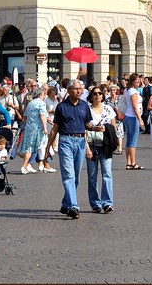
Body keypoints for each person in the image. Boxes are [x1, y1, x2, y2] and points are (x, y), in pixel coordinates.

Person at [45, 80, 96, 219]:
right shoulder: (62, 107)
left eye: (80, 89)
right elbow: (55, 128)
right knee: (68, 175)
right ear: (68, 90)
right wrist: (48, 148)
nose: (79, 91)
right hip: (65, 141)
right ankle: (74, 206)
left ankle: (66, 203)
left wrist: (95, 128)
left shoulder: (84, 105)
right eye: (76, 89)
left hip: (80, 141)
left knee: (76, 178)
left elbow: (87, 125)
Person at [85, 85, 117, 213]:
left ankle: (107, 203)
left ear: (103, 96)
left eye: (99, 93)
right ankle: (95, 203)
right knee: (92, 176)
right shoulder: (87, 110)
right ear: (91, 97)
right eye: (95, 93)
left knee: (107, 174)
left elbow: (113, 127)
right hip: (92, 144)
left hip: (106, 145)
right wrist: (87, 146)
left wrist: (107, 130)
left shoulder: (109, 109)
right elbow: (84, 126)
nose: (97, 95)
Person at [18, 87, 50, 174]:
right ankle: (24, 166)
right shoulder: (41, 103)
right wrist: (45, 127)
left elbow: (24, 117)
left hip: (29, 128)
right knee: (31, 148)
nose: (44, 95)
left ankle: (29, 165)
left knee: (34, 147)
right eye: (44, 94)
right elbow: (42, 116)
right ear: (41, 94)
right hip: (37, 128)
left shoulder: (30, 103)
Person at [122, 73, 144, 170]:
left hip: (127, 116)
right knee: (133, 140)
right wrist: (140, 119)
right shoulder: (133, 92)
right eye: (137, 81)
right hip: (133, 117)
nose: (138, 83)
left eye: (139, 81)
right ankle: (133, 162)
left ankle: (128, 163)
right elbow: (135, 107)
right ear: (132, 81)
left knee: (129, 140)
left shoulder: (128, 90)